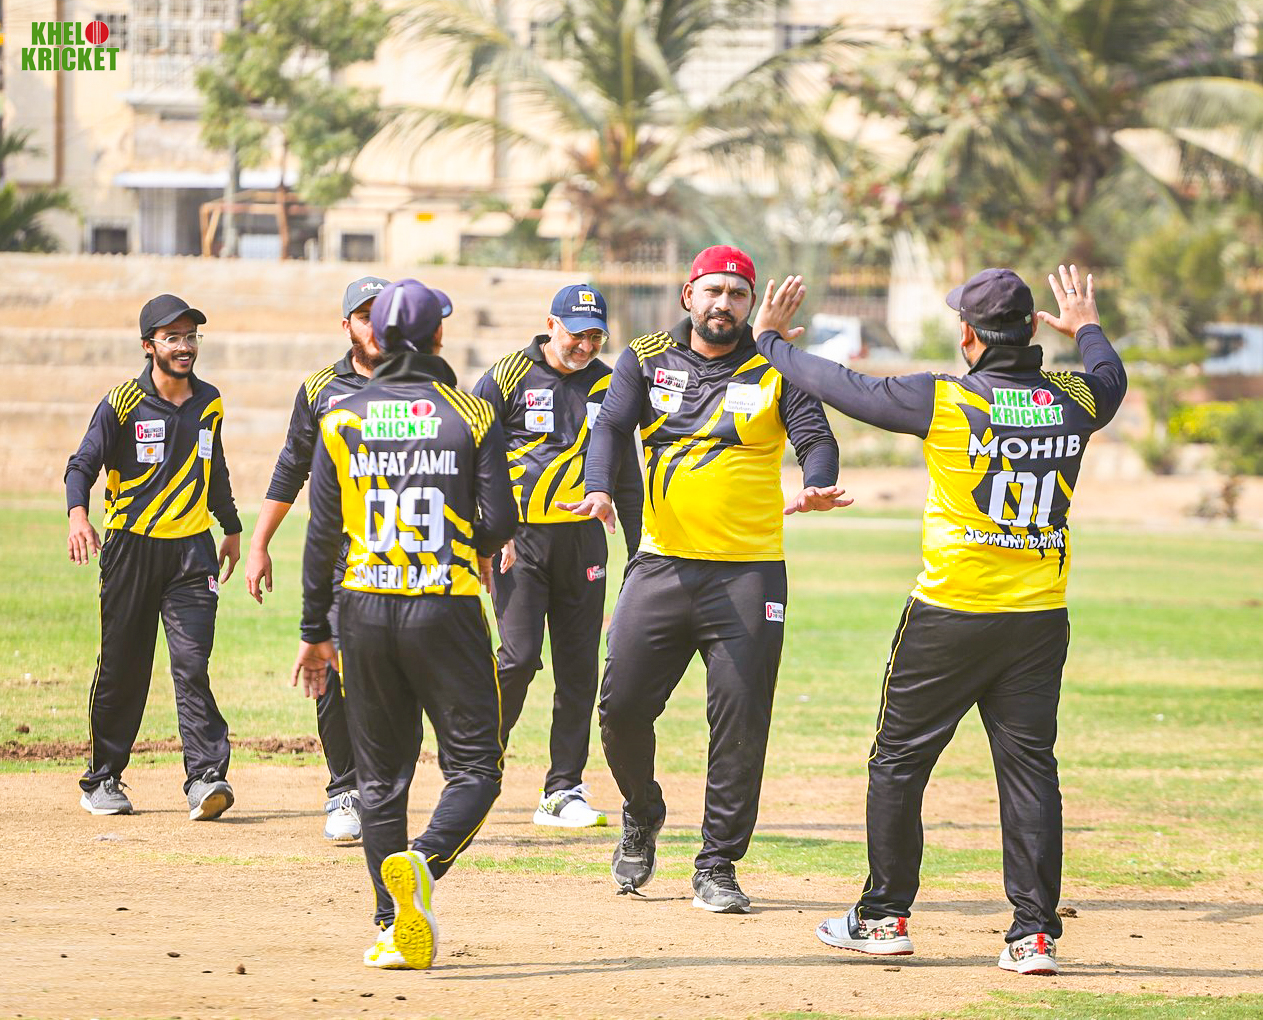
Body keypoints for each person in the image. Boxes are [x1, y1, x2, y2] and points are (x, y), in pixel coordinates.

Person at [752, 265, 1127, 975]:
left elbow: (841, 386)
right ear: (1030, 329)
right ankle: (1032, 936)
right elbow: (1111, 379)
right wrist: (1087, 327)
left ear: (967, 336)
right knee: (1030, 773)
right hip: (1037, 619)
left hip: (949, 614)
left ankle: (883, 917)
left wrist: (768, 341)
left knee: (898, 762)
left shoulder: (945, 398)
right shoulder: (1073, 399)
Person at [561, 245, 848, 913]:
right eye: (713, 290)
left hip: (749, 575)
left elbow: (815, 436)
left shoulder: (776, 363)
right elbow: (611, 427)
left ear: (750, 305)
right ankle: (643, 809)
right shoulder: (645, 357)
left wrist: (817, 482)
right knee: (620, 709)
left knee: (740, 723)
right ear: (688, 295)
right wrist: (599, 487)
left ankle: (717, 864)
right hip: (661, 565)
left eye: (738, 294)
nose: (724, 303)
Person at [290, 278, 516, 970]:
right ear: (438, 336)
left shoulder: (340, 416)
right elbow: (499, 521)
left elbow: (322, 535)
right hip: (443, 605)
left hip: (362, 608)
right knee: (475, 767)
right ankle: (422, 862)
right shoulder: (472, 414)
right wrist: (465, 536)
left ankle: (391, 927)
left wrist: (314, 631)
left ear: (379, 338)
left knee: (380, 778)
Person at [245, 276, 452, 842]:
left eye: (381, 314)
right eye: (364, 316)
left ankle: (386, 788)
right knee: (332, 673)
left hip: (411, 560)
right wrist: (259, 543)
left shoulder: (430, 386)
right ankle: (344, 790)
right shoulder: (321, 390)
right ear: (347, 326)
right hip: (343, 560)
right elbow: (292, 467)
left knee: (404, 682)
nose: (374, 325)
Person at [66, 294, 242, 821]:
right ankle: (103, 779)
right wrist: (78, 516)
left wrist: (232, 528)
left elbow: (215, 469)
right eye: (172, 338)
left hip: (192, 553)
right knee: (124, 666)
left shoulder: (209, 402)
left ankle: (205, 777)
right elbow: (82, 465)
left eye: (191, 337)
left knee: (192, 664)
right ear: (149, 346)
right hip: (131, 549)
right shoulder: (121, 402)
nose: (185, 346)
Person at [472, 284, 642, 828]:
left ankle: (562, 789)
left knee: (578, 669)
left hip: (583, 542)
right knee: (518, 658)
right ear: (551, 325)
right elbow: (472, 453)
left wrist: (639, 554)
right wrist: (488, 530)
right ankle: (477, 766)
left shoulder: (610, 384)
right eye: (577, 334)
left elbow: (626, 472)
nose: (586, 346)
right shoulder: (507, 375)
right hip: (518, 541)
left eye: (596, 336)